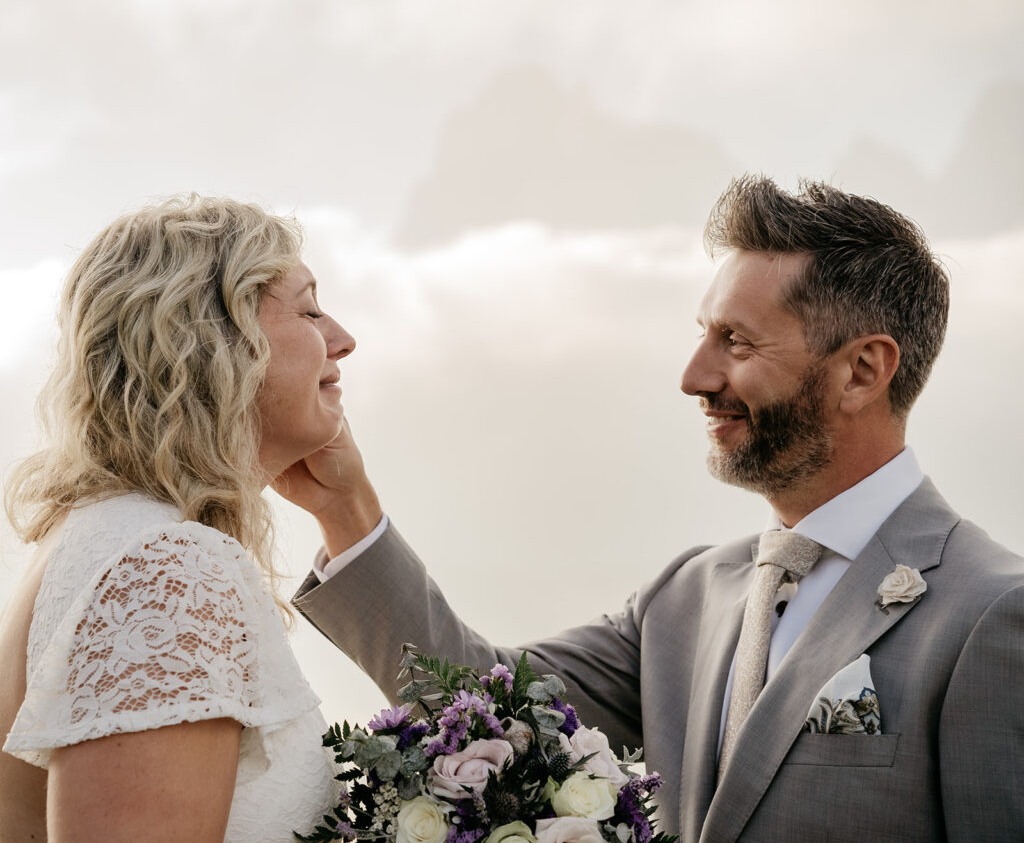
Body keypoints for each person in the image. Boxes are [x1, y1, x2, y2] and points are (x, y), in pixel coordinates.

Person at [283, 176, 1024, 842]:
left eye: (734, 341)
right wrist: (346, 509)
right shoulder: (684, 599)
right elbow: (484, 710)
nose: (694, 376)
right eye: (702, 335)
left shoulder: (992, 614)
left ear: (863, 371)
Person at [0, 195, 357, 841]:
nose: (342, 339)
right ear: (215, 341)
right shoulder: (168, 566)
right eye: (308, 310)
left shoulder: (107, 533)